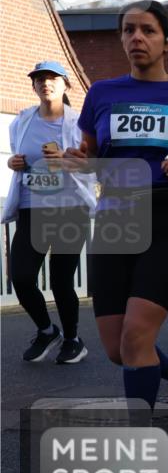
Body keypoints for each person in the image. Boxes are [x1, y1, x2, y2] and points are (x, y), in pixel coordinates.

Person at [65, 0, 168, 427]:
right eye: (129, 30)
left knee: (137, 336)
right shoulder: (102, 93)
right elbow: (92, 156)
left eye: (148, 30)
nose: (136, 38)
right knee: (118, 348)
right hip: (116, 217)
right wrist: (79, 161)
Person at [4, 61, 96, 364]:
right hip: (34, 209)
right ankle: (46, 330)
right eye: (40, 79)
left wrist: (64, 158)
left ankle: (73, 339)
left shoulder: (79, 123)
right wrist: (12, 164)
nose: (46, 83)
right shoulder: (21, 122)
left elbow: (91, 166)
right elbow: (19, 160)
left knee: (60, 279)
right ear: (34, 86)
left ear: (65, 84)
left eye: (53, 79)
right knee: (21, 275)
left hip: (71, 209)